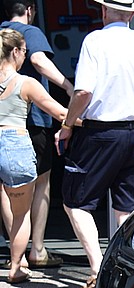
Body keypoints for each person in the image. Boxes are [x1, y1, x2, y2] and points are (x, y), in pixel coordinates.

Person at [56, 0, 134, 288]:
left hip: (101, 132)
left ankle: (99, 269)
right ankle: (130, 275)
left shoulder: (95, 40)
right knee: (128, 209)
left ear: (103, 11)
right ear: (132, 14)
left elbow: (84, 91)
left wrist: (67, 124)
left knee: (75, 201)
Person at [0, 2, 72, 269]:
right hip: (32, 122)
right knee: (41, 182)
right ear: (30, 9)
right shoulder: (29, 32)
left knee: (5, 189)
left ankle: (15, 252)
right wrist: (68, 86)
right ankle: (37, 249)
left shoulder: (2, 33)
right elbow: (39, 61)